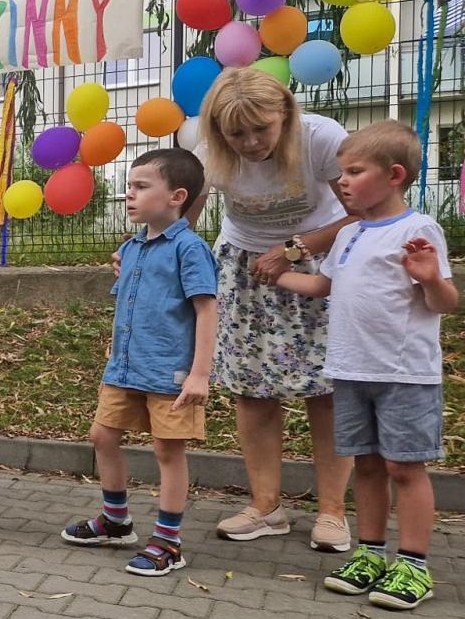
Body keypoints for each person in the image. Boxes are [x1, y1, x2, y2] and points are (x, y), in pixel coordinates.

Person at [277, 122, 457, 610]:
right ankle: (372, 554)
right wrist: (278, 272)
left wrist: (429, 278)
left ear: (394, 174)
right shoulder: (350, 233)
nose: (343, 182)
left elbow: (445, 302)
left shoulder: (417, 230)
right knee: (369, 466)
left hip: (403, 374)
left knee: (404, 467)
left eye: (354, 172)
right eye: (340, 173)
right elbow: (325, 287)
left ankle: (414, 564)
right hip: (351, 370)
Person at [197, 68, 355, 551]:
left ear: (284, 114)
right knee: (253, 390)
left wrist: (295, 247)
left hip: (320, 264)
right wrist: (144, 247)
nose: (249, 142)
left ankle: (332, 511)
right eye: (236, 133)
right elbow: (181, 211)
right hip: (245, 268)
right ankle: (266, 507)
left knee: (326, 390)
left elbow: (366, 207)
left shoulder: (322, 138)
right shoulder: (208, 152)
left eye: (260, 129)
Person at [63, 149, 218, 577]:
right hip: (125, 368)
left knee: (167, 450)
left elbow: (207, 310)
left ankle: (168, 542)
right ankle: (116, 520)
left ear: (177, 196)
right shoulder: (130, 248)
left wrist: (201, 373)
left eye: (140, 187)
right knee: (102, 435)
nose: (127, 195)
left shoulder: (190, 249)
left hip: (171, 372)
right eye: (128, 187)